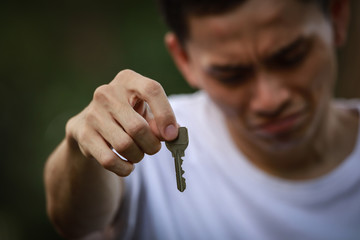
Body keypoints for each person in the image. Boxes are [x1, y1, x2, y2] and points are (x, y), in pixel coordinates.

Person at [44, 0, 360, 239]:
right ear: (184, 59)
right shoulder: (145, 139)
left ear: (337, 17)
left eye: (291, 58)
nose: (270, 100)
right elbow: (72, 219)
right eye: (231, 75)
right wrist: (81, 149)